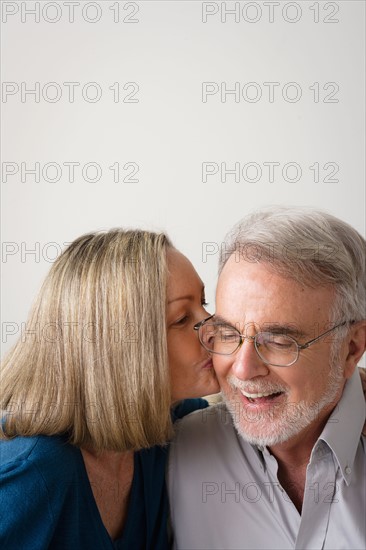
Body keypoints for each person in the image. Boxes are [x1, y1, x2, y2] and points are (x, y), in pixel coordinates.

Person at [0, 229, 219, 549]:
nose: (213, 328)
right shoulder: (32, 475)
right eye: (183, 318)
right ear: (118, 346)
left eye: (204, 303)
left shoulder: (168, 427)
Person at [168, 207, 366, 549]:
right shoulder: (172, 449)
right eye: (227, 334)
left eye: (278, 341)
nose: (243, 370)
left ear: (351, 348)